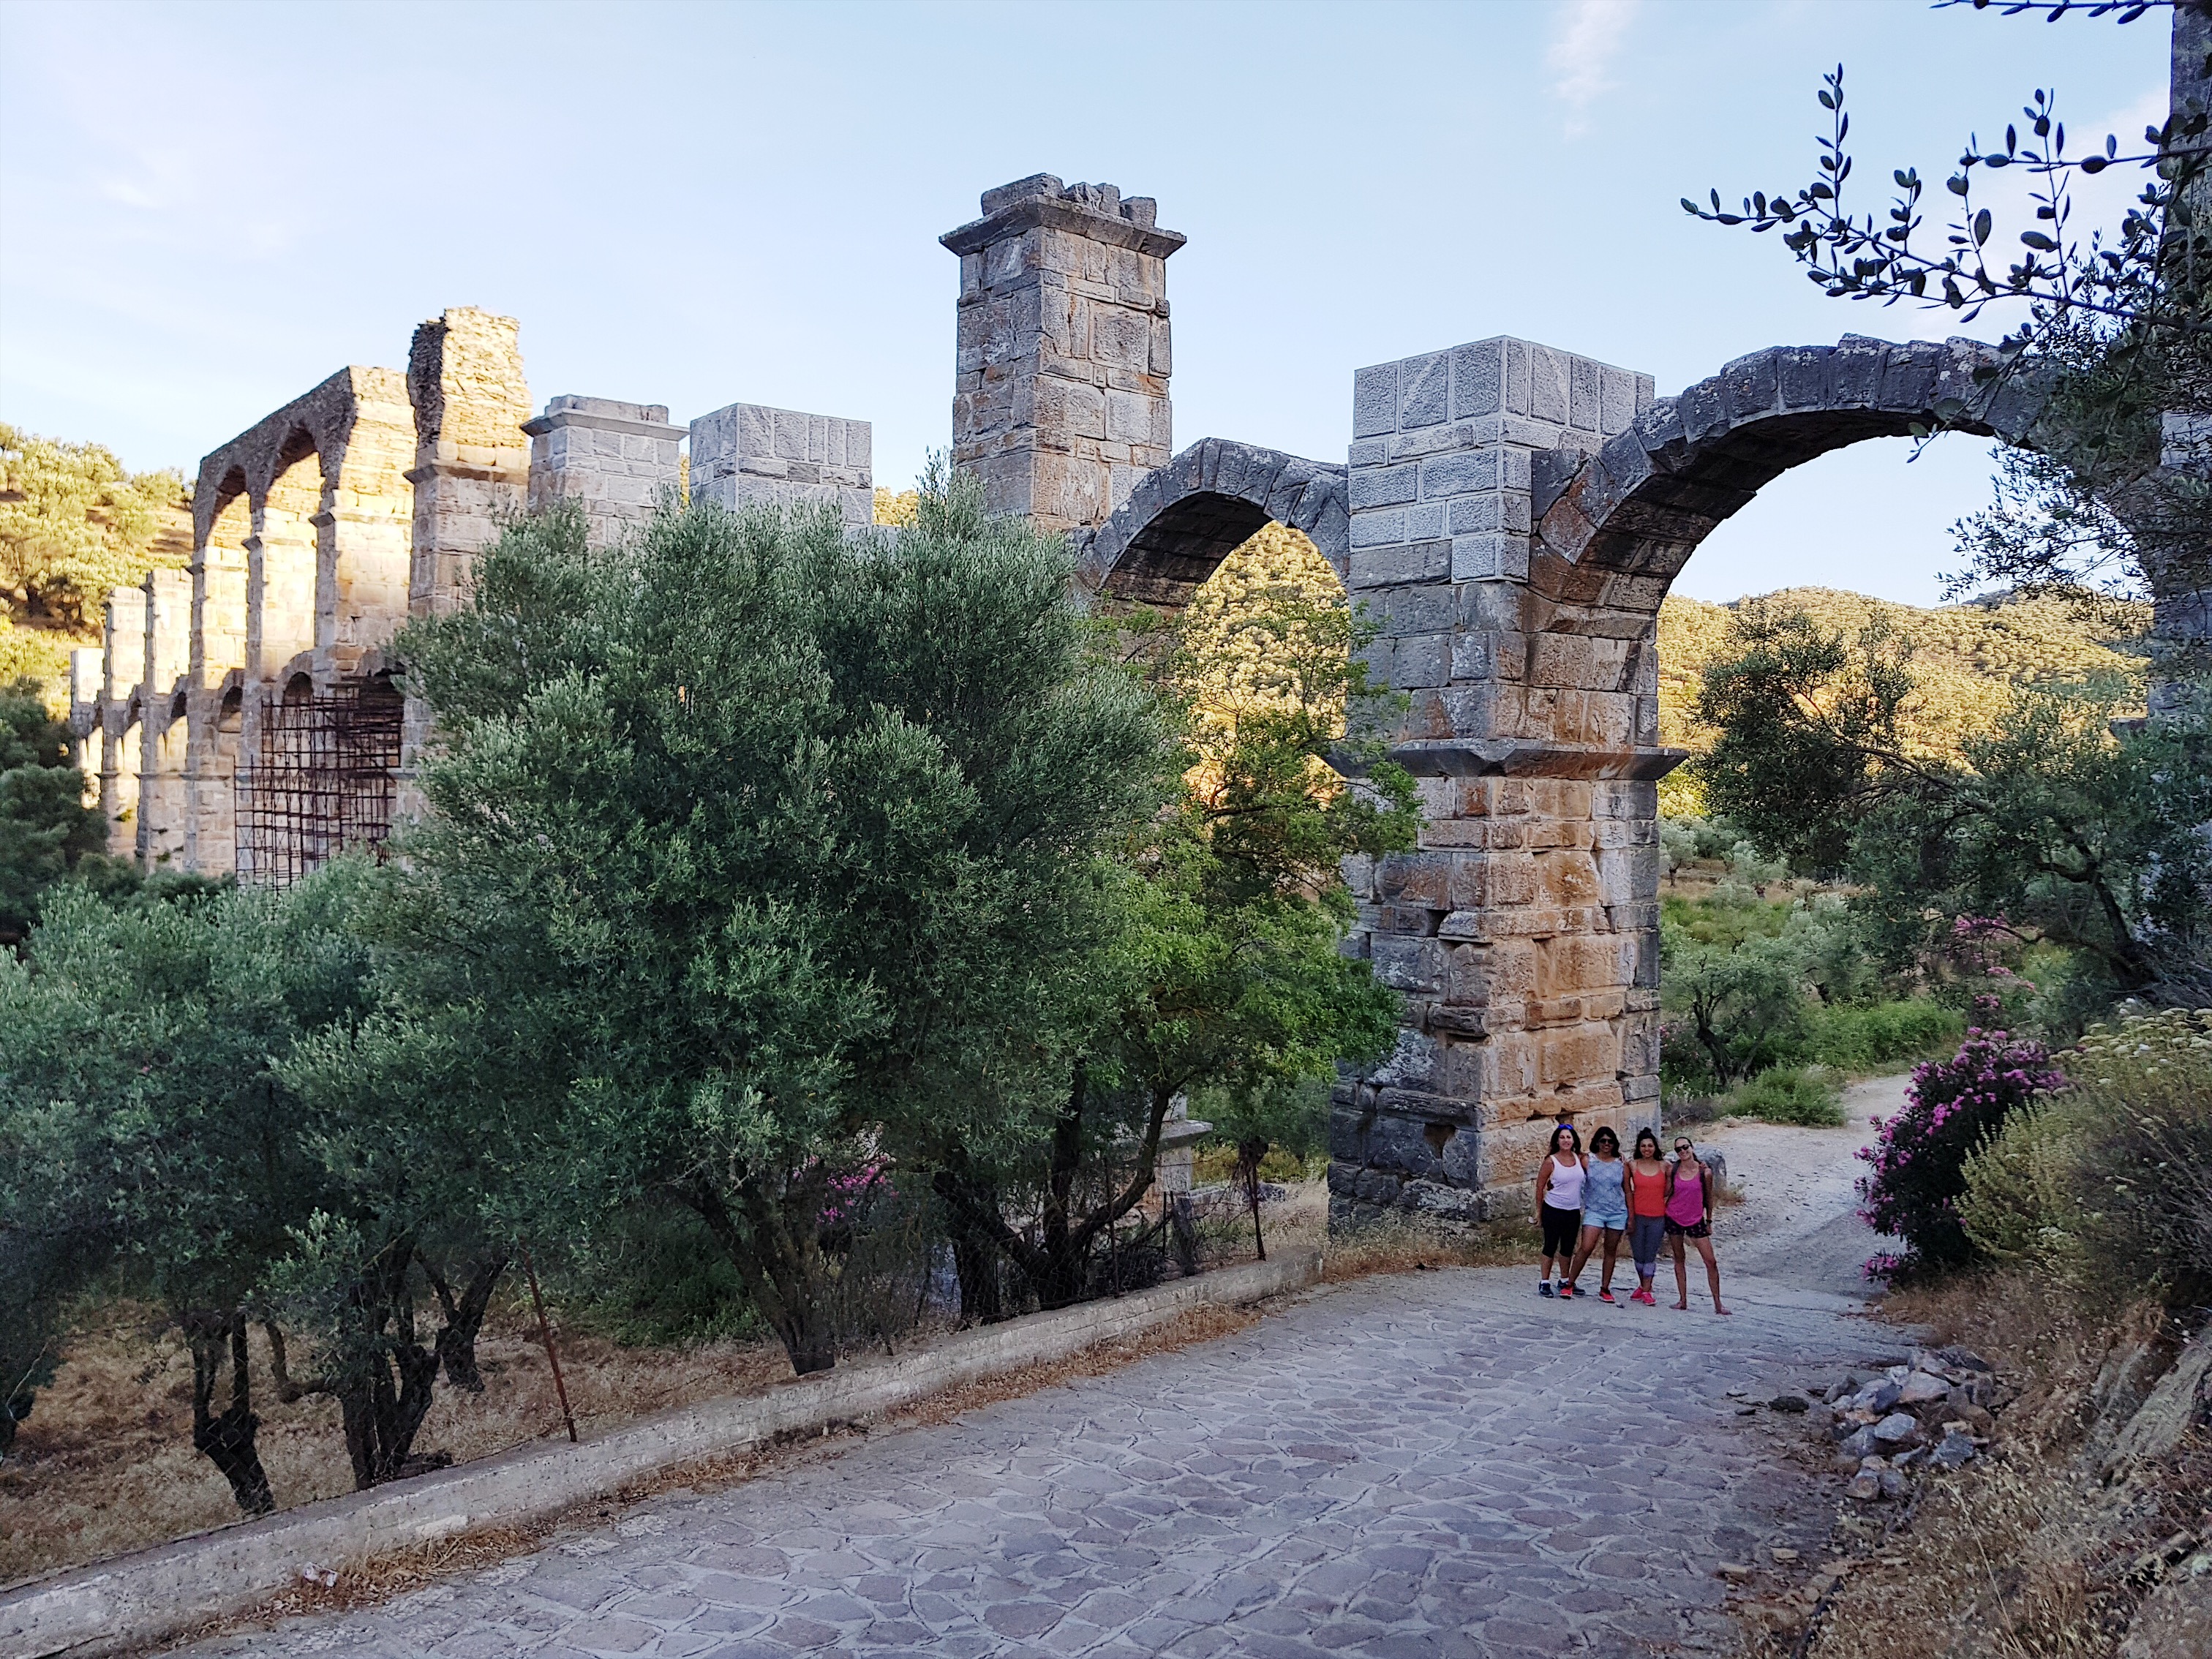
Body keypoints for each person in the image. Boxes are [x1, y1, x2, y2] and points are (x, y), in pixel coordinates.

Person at [1664, 1135, 1731, 1315]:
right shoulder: (1674, 1169)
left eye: (1685, 1147)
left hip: (1695, 1219)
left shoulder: (1705, 1172)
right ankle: (1683, 1300)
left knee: (1710, 1261)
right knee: (1679, 1258)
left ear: (1692, 1148)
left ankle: (1718, 1303)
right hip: (1674, 1216)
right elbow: (1667, 1190)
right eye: (1678, 1149)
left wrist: (1709, 1220)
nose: (1683, 1151)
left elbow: (1709, 1198)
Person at [1565, 1126, 1629, 1302]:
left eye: (1610, 1141)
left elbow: (1628, 1190)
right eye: (1603, 1141)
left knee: (1611, 1250)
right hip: (1595, 1210)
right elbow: (1570, 1163)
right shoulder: (1588, 1160)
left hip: (1617, 1211)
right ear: (1597, 1142)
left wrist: (1632, 1216)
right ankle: (1569, 1283)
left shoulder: (1621, 1164)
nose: (1606, 1144)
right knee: (1586, 1247)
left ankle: (1605, 1288)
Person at [1534, 1123, 1585, 1298]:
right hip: (1553, 1208)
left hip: (1573, 1210)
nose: (1566, 1140)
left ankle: (1565, 1280)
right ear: (1557, 1140)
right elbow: (1540, 1186)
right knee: (1550, 1245)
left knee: (1568, 1247)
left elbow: (1599, 1160)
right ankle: (1545, 1281)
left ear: (1574, 1140)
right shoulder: (1551, 1161)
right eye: (1562, 1137)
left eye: (1569, 1137)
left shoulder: (1580, 1158)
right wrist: (1539, 1212)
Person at [1625, 1128, 1669, 1306]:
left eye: (1650, 1145)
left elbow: (1671, 1188)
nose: (1647, 1149)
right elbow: (1627, 1190)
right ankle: (1643, 1286)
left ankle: (1647, 1290)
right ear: (1639, 1147)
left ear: (1655, 1147)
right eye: (1643, 1146)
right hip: (1638, 1215)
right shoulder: (1632, 1165)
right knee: (1638, 1255)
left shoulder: (1665, 1166)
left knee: (1650, 1254)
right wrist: (1630, 1217)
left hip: (1658, 1216)